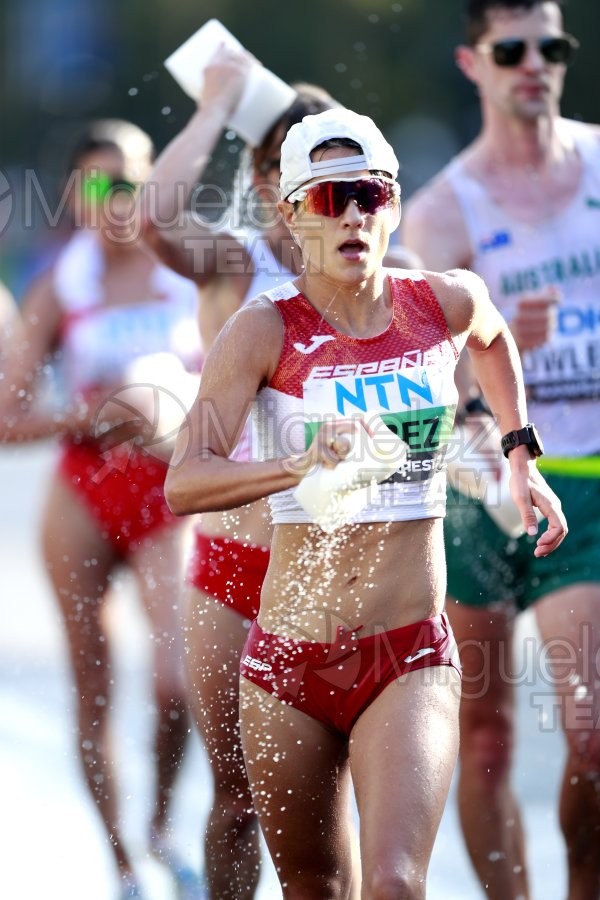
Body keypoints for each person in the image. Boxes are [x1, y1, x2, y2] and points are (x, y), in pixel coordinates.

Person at [161, 105, 567, 898]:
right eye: (328, 197)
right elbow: (185, 480)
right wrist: (295, 465)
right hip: (286, 665)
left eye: (370, 195)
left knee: (394, 885)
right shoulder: (260, 331)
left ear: (392, 206)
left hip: (406, 653)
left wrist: (520, 454)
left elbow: (490, 336)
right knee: (319, 890)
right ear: (290, 215)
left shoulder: (441, 303)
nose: (351, 214)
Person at [140, 45, 421, 898]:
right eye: (283, 168)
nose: (315, 196)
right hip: (236, 569)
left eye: (335, 174)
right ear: (267, 183)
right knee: (235, 805)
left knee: (333, 826)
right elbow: (151, 216)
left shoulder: (384, 282)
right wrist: (216, 108)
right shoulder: (235, 266)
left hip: (345, 579)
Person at [401, 2, 600, 898]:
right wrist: (489, 415)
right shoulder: (443, 213)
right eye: (511, 49)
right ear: (472, 63)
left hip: (586, 481)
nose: (535, 65)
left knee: (593, 738)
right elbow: (427, 377)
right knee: (483, 733)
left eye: (550, 47)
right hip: (486, 482)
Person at [0, 119, 204, 899]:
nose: (110, 199)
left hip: (169, 490)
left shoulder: (187, 270)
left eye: (125, 182)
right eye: (93, 185)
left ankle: (157, 826)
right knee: (93, 684)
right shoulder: (61, 285)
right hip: (85, 488)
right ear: (74, 198)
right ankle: (121, 862)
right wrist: (84, 418)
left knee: (173, 684)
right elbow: (7, 417)